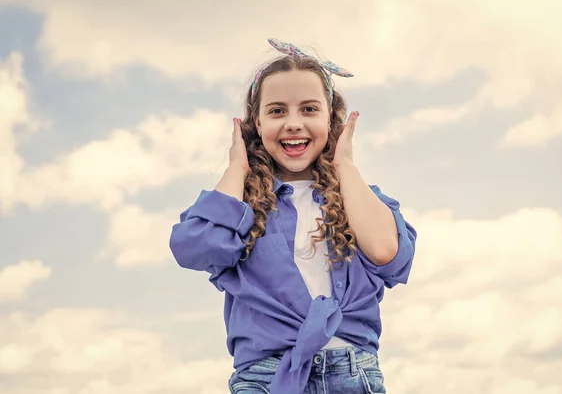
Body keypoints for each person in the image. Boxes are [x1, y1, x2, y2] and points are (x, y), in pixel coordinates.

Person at [169, 38, 417, 394]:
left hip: (351, 372)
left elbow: (385, 252)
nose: (293, 123)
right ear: (255, 123)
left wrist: (344, 163)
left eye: (309, 109)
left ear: (331, 118)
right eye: (277, 111)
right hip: (265, 377)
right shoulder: (240, 204)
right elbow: (199, 248)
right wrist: (238, 167)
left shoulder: (359, 197)